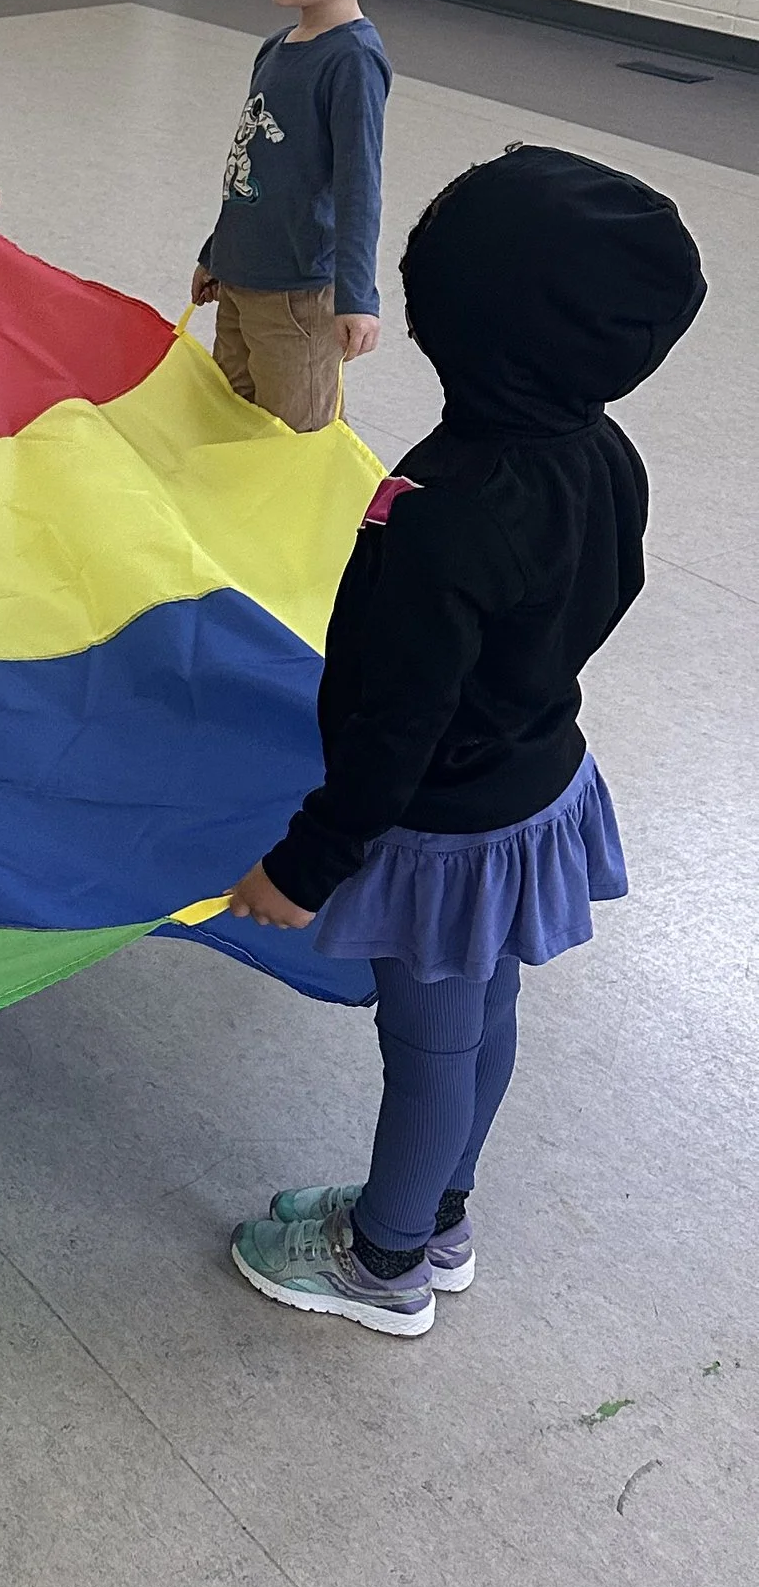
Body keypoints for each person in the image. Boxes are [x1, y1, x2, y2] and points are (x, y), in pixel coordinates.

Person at [222, 145, 704, 1338]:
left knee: (430, 1036)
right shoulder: (602, 455)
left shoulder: (436, 513)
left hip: (444, 832)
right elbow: (608, 594)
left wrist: (304, 866)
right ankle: (436, 1210)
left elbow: (393, 731)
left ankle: (387, 1259)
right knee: (482, 1015)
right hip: (538, 780)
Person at [191, 0, 400, 433]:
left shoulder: (353, 61)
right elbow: (251, 166)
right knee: (229, 419)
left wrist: (356, 296)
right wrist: (218, 251)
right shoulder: (278, 46)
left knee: (298, 435)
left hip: (301, 298)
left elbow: (361, 187)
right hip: (242, 280)